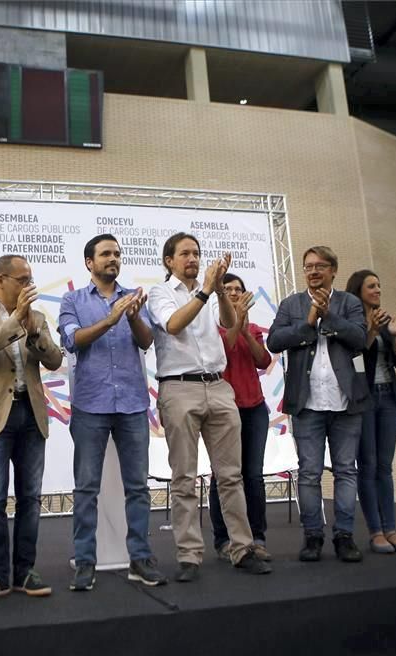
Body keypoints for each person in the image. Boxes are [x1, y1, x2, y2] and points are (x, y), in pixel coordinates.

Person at [147, 233, 271, 582]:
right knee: (184, 477)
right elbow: (173, 325)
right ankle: (189, 555)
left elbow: (231, 325)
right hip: (179, 388)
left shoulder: (209, 291)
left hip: (218, 386)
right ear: (169, 260)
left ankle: (242, 548)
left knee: (231, 475)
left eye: (197, 253)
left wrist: (218, 290)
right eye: (185, 253)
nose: (193, 258)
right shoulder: (160, 292)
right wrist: (204, 291)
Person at [58, 235, 168, 591]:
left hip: (133, 403)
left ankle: (140, 558)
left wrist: (132, 317)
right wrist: (110, 318)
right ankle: (85, 562)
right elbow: (73, 341)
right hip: (90, 403)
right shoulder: (72, 300)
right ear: (89, 262)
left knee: (137, 487)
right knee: (86, 488)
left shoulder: (133, 297)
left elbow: (147, 340)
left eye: (117, 254)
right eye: (105, 254)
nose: (113, 259)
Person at [0, 255, 63, 603]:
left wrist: (33, 329)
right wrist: (15, 319)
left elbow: (54, 360)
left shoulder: (37, 317)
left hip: (31, 415)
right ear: (1, 281)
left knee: (31, 499)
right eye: (23, 279)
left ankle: (25, 572)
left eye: (31, 279)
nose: (29, 285)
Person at [266, 246, 368, 563]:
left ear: (333, 270)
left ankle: (344, 537)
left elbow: (361, 338)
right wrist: (309, 322)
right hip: (307, 402)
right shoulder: (292, 304)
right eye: (308, 266)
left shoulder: (349, 302)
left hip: (345, 401)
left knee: (345, 472)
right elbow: (274, 341)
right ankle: (313, 537)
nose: (313, 271)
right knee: (309, 474)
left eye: (320, 266)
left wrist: (329, 317)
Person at [344, 270, 396, 555]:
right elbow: (357, 357)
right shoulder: (352, 322)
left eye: (379, 285)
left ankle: (391, 528)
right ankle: (376, 532)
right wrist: (371, 330)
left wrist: (395, 337)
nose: (378, 290)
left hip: (389, 397)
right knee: (368, 465)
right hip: (365, 398)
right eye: (372, 286)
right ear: (358, 290)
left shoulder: (385, 320)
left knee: (385, 467)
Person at [207, 273, 274, 562]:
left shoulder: (254, 328)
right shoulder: (213, 329)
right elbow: (224, 352)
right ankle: (224, 539)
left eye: (239, 289)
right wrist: (236, 324)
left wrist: (246, 328)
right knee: (224, 475)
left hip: (254, 407)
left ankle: (256, 537)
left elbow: (264, 361)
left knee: (253, 475)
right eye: (229, 288)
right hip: (224, 408)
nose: (234, 292)